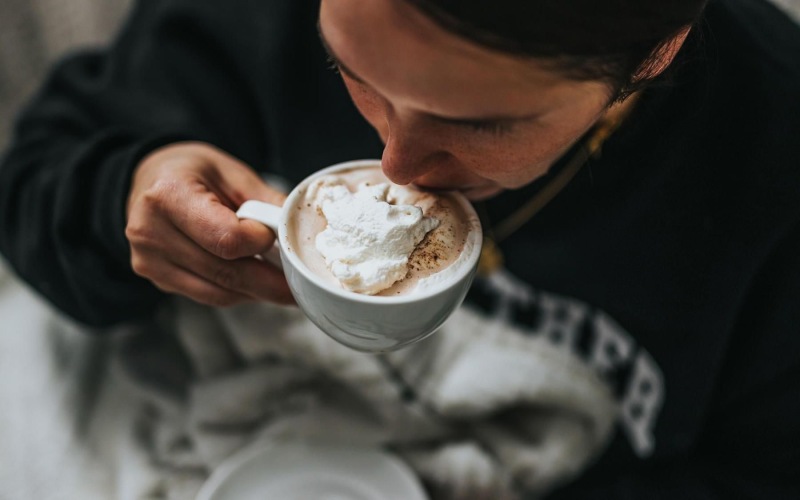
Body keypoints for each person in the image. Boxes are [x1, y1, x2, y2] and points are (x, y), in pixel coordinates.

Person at [0, 0, 798, 497]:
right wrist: (121, 189)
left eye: (479, 123)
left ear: (657, 53)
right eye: (348, 70)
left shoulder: (772, 165)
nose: (396, 166)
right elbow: (31, 181)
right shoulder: (246, 17)